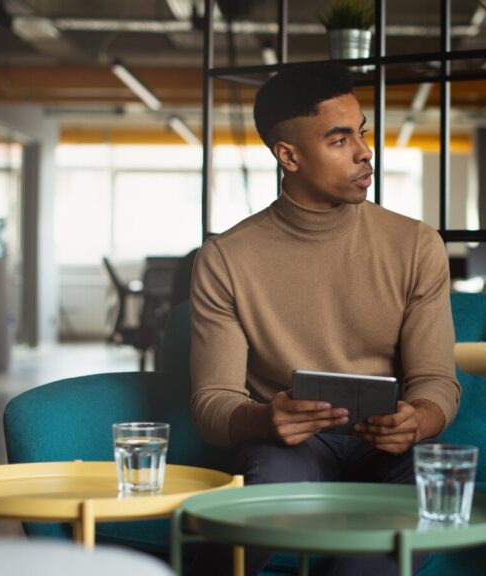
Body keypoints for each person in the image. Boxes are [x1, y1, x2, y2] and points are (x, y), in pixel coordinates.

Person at [189, 62, 461, 576]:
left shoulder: (416, 245)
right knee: (263, 487)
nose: (364, 152)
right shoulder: (226, 258)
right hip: (289, 447)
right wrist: (265, 417)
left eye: (361, 133)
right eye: (339, 141)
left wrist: (418, 419)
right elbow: (212, 402)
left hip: (388, 446)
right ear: (288, 155)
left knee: (436, 483)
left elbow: (435, 381)